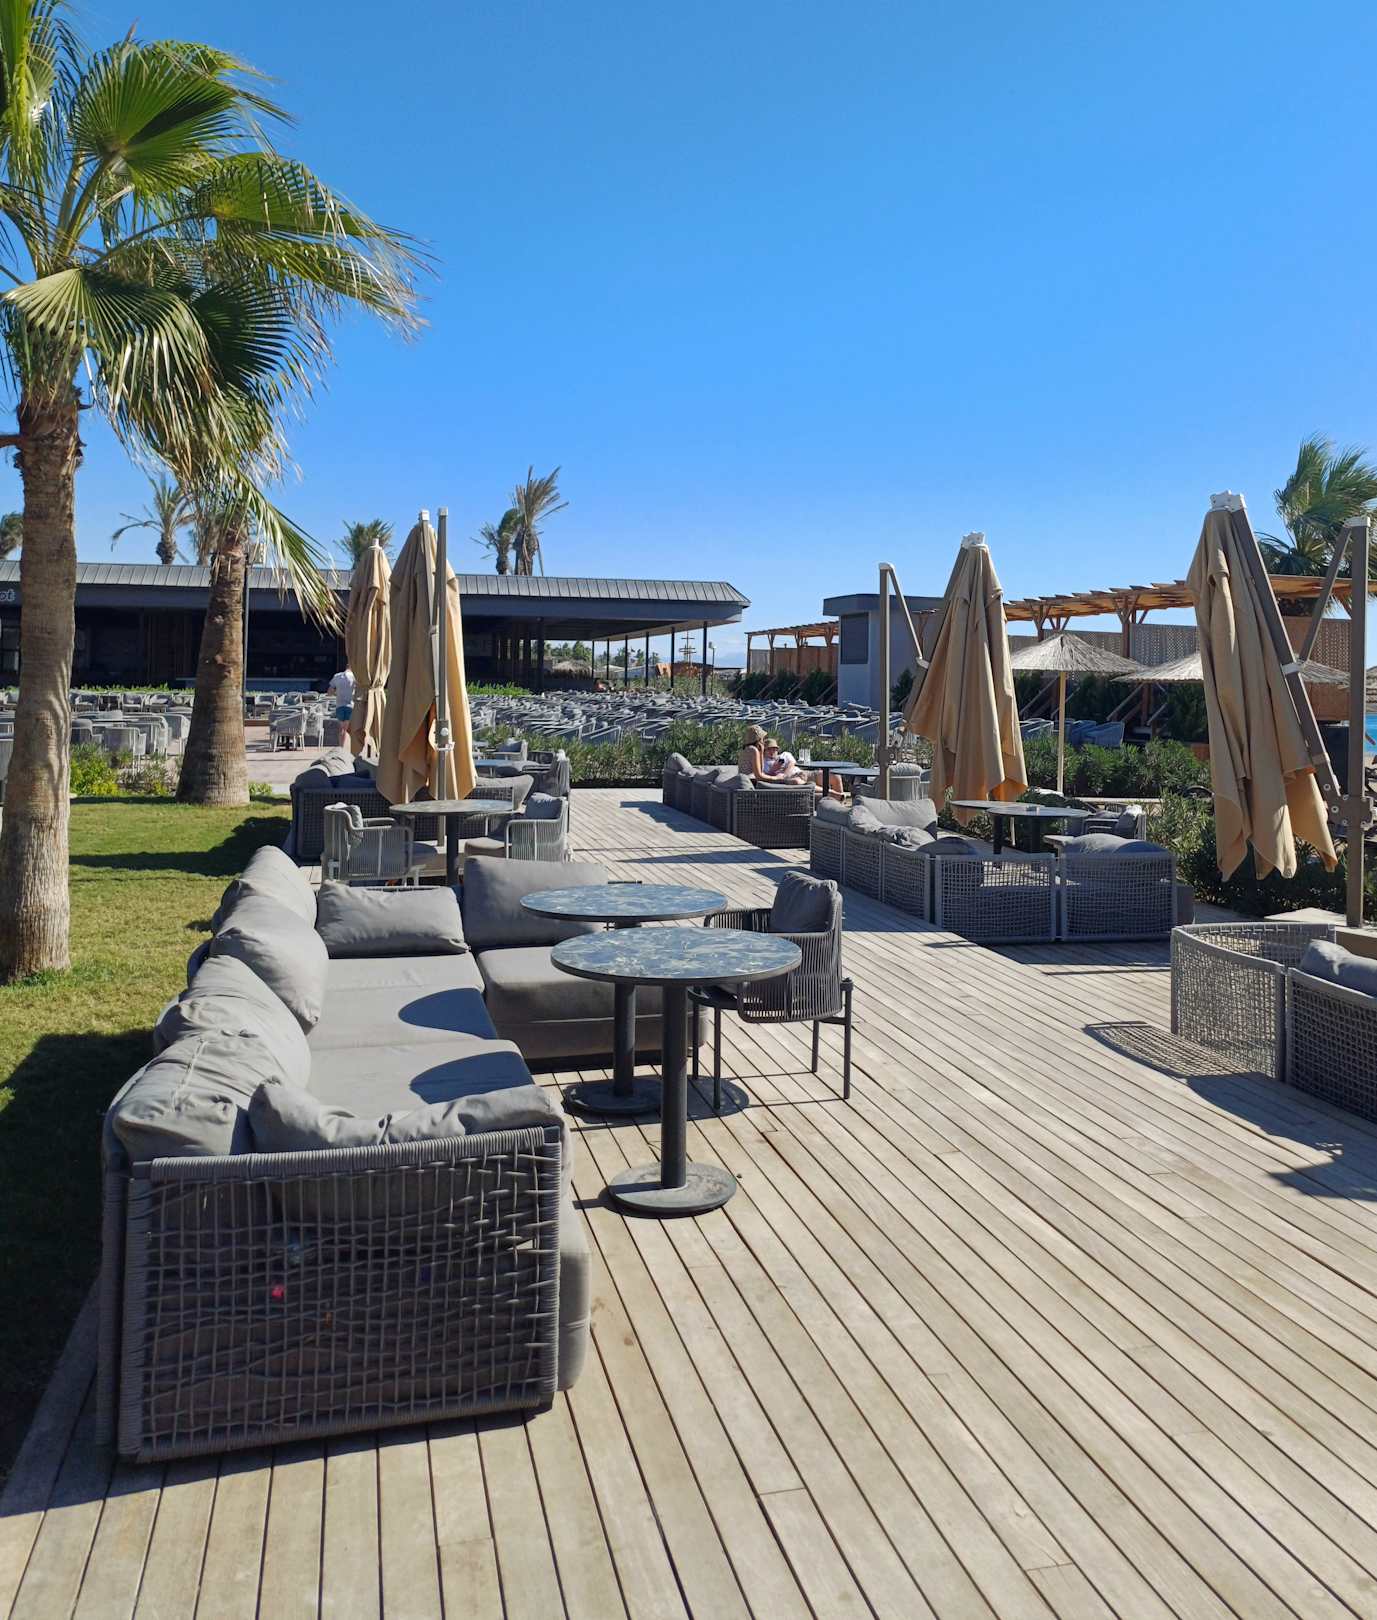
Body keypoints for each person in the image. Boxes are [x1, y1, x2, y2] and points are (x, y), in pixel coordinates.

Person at [328, 666, 356, 742]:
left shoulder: (337, 676)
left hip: (339, 706)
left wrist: (337, 694)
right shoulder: (355, 677)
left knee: (342, 729)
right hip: (350, 705)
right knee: (348, 729)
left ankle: (341, 746)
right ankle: (348, 747)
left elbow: (329, 692)